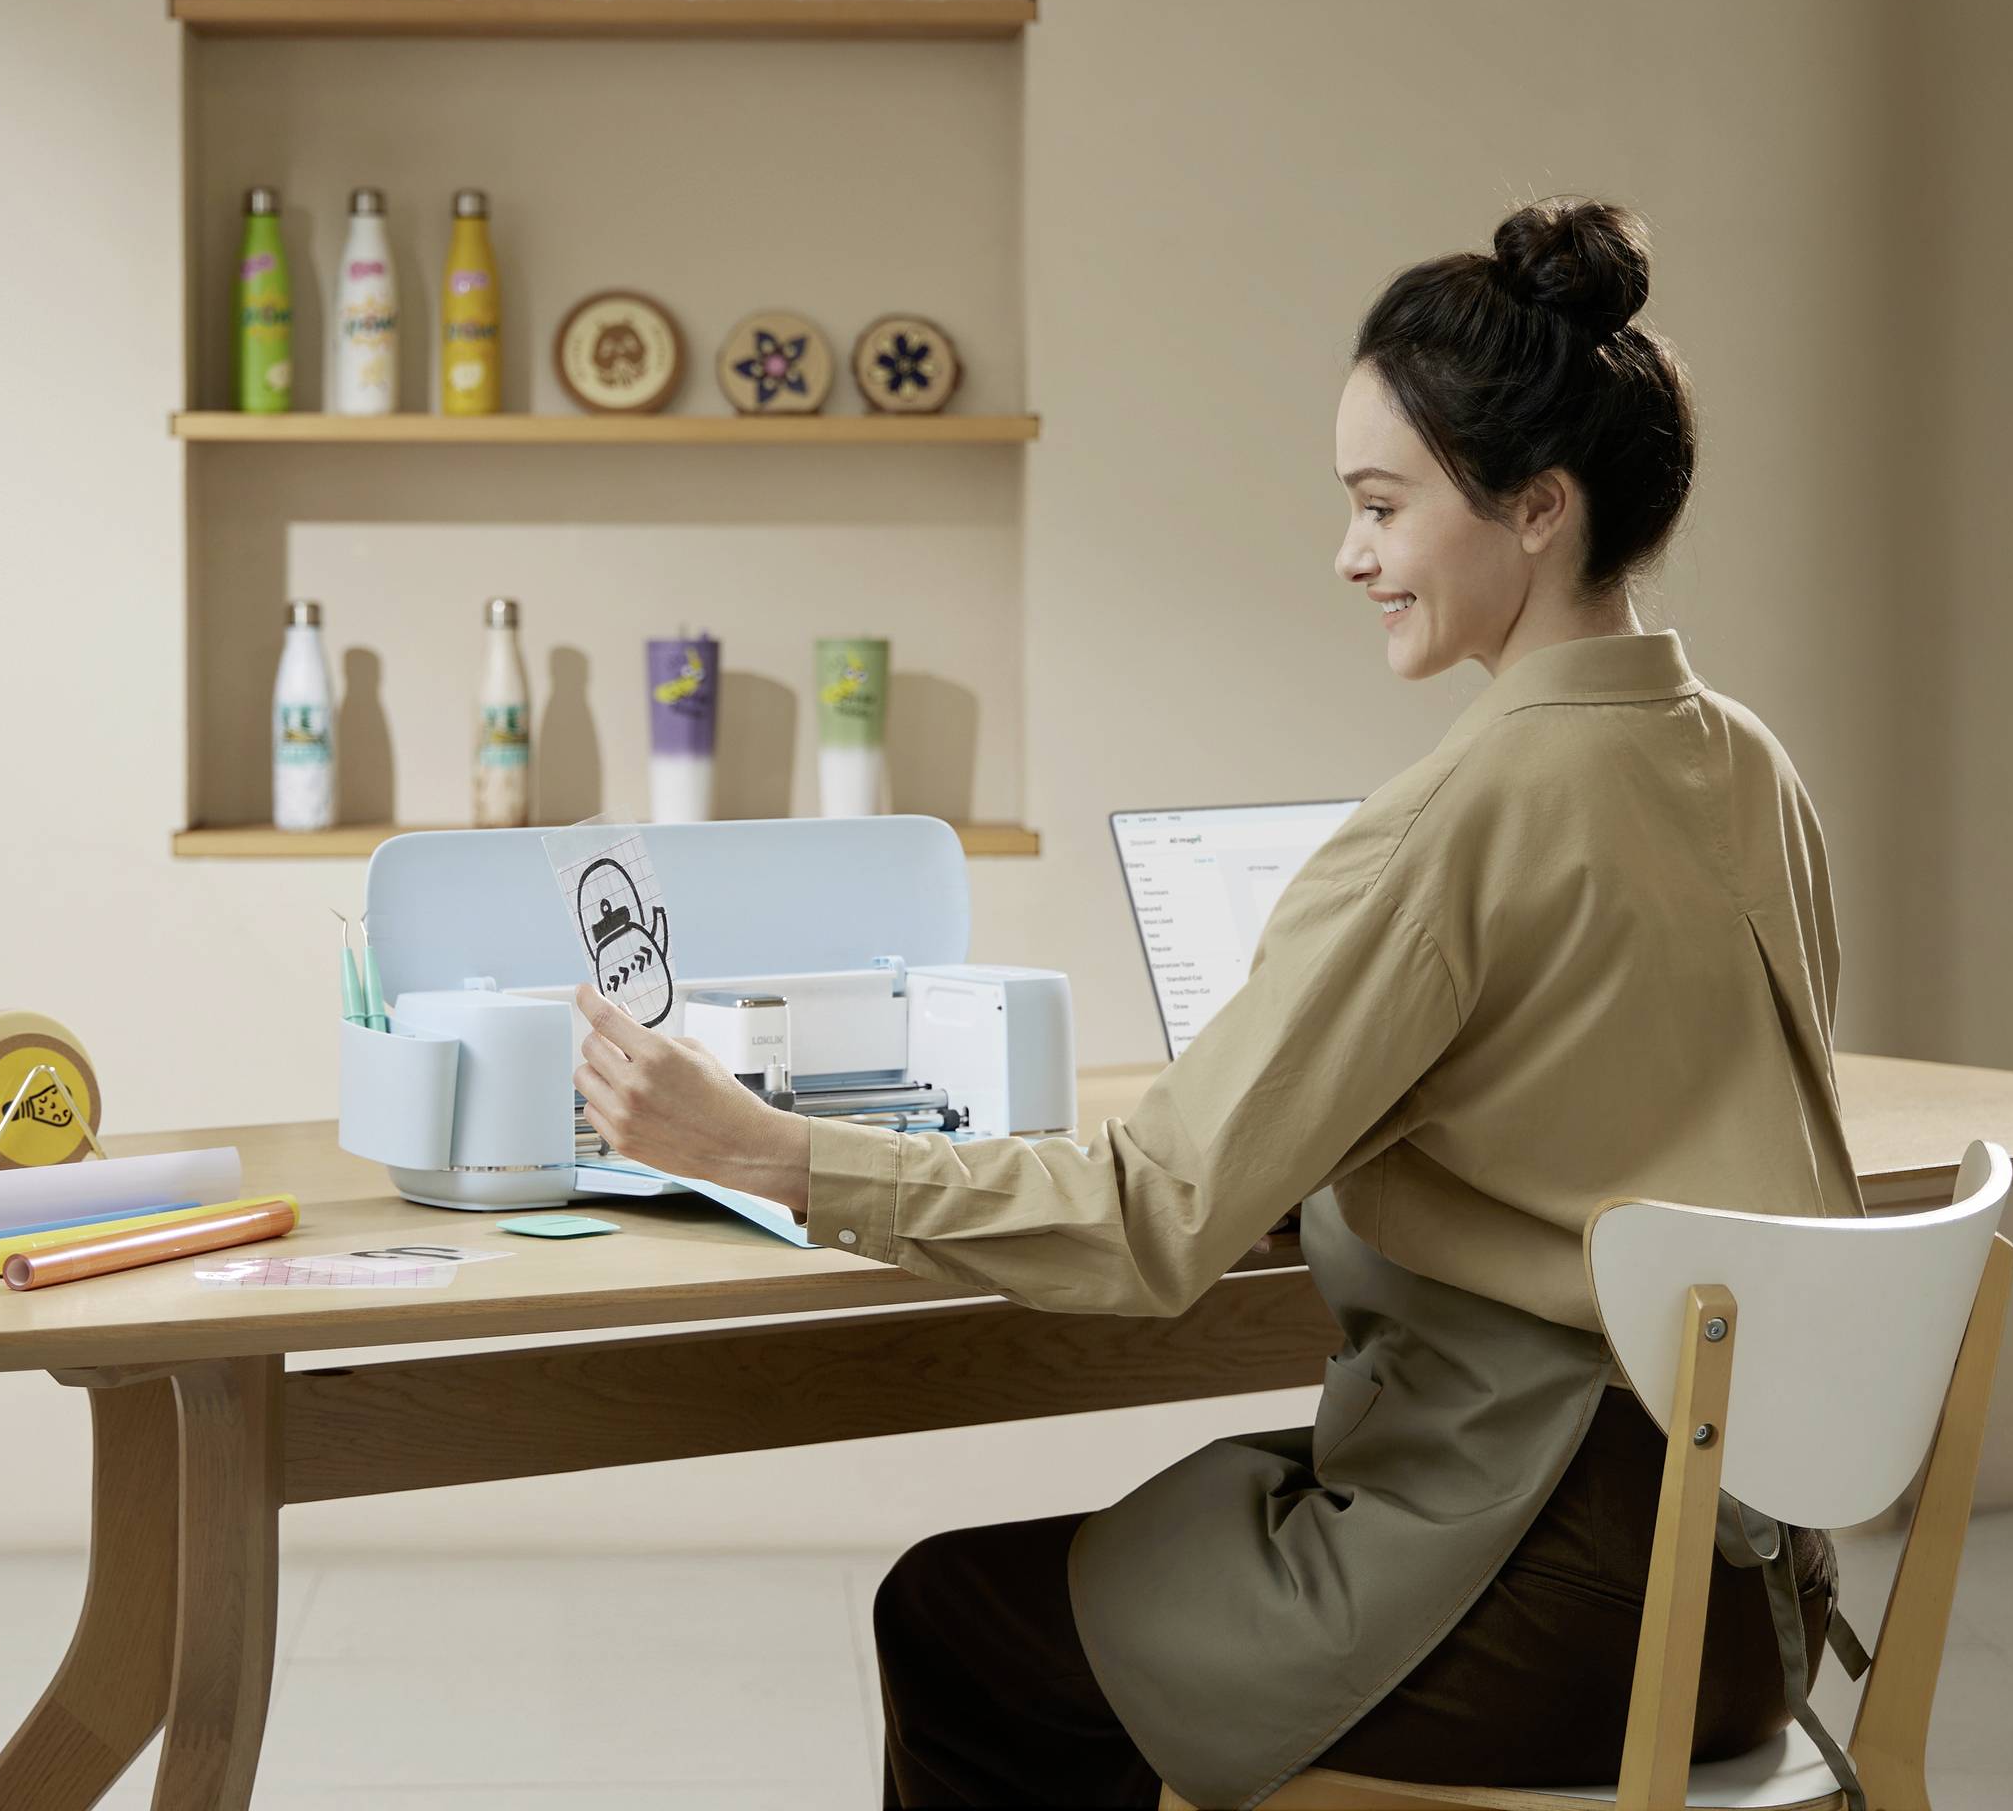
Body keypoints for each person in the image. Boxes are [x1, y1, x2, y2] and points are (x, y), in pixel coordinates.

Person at [568, 197, 1864, 1809]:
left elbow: (1145, 1221)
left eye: (1384, 506)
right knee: (1126, 1583)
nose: (1350, 553)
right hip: (1752, 1595)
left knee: (956, 1620)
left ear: (1537, 506)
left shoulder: (1447, 828)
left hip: (1555, 1602)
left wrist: (764, 1148)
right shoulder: (1745, 760)